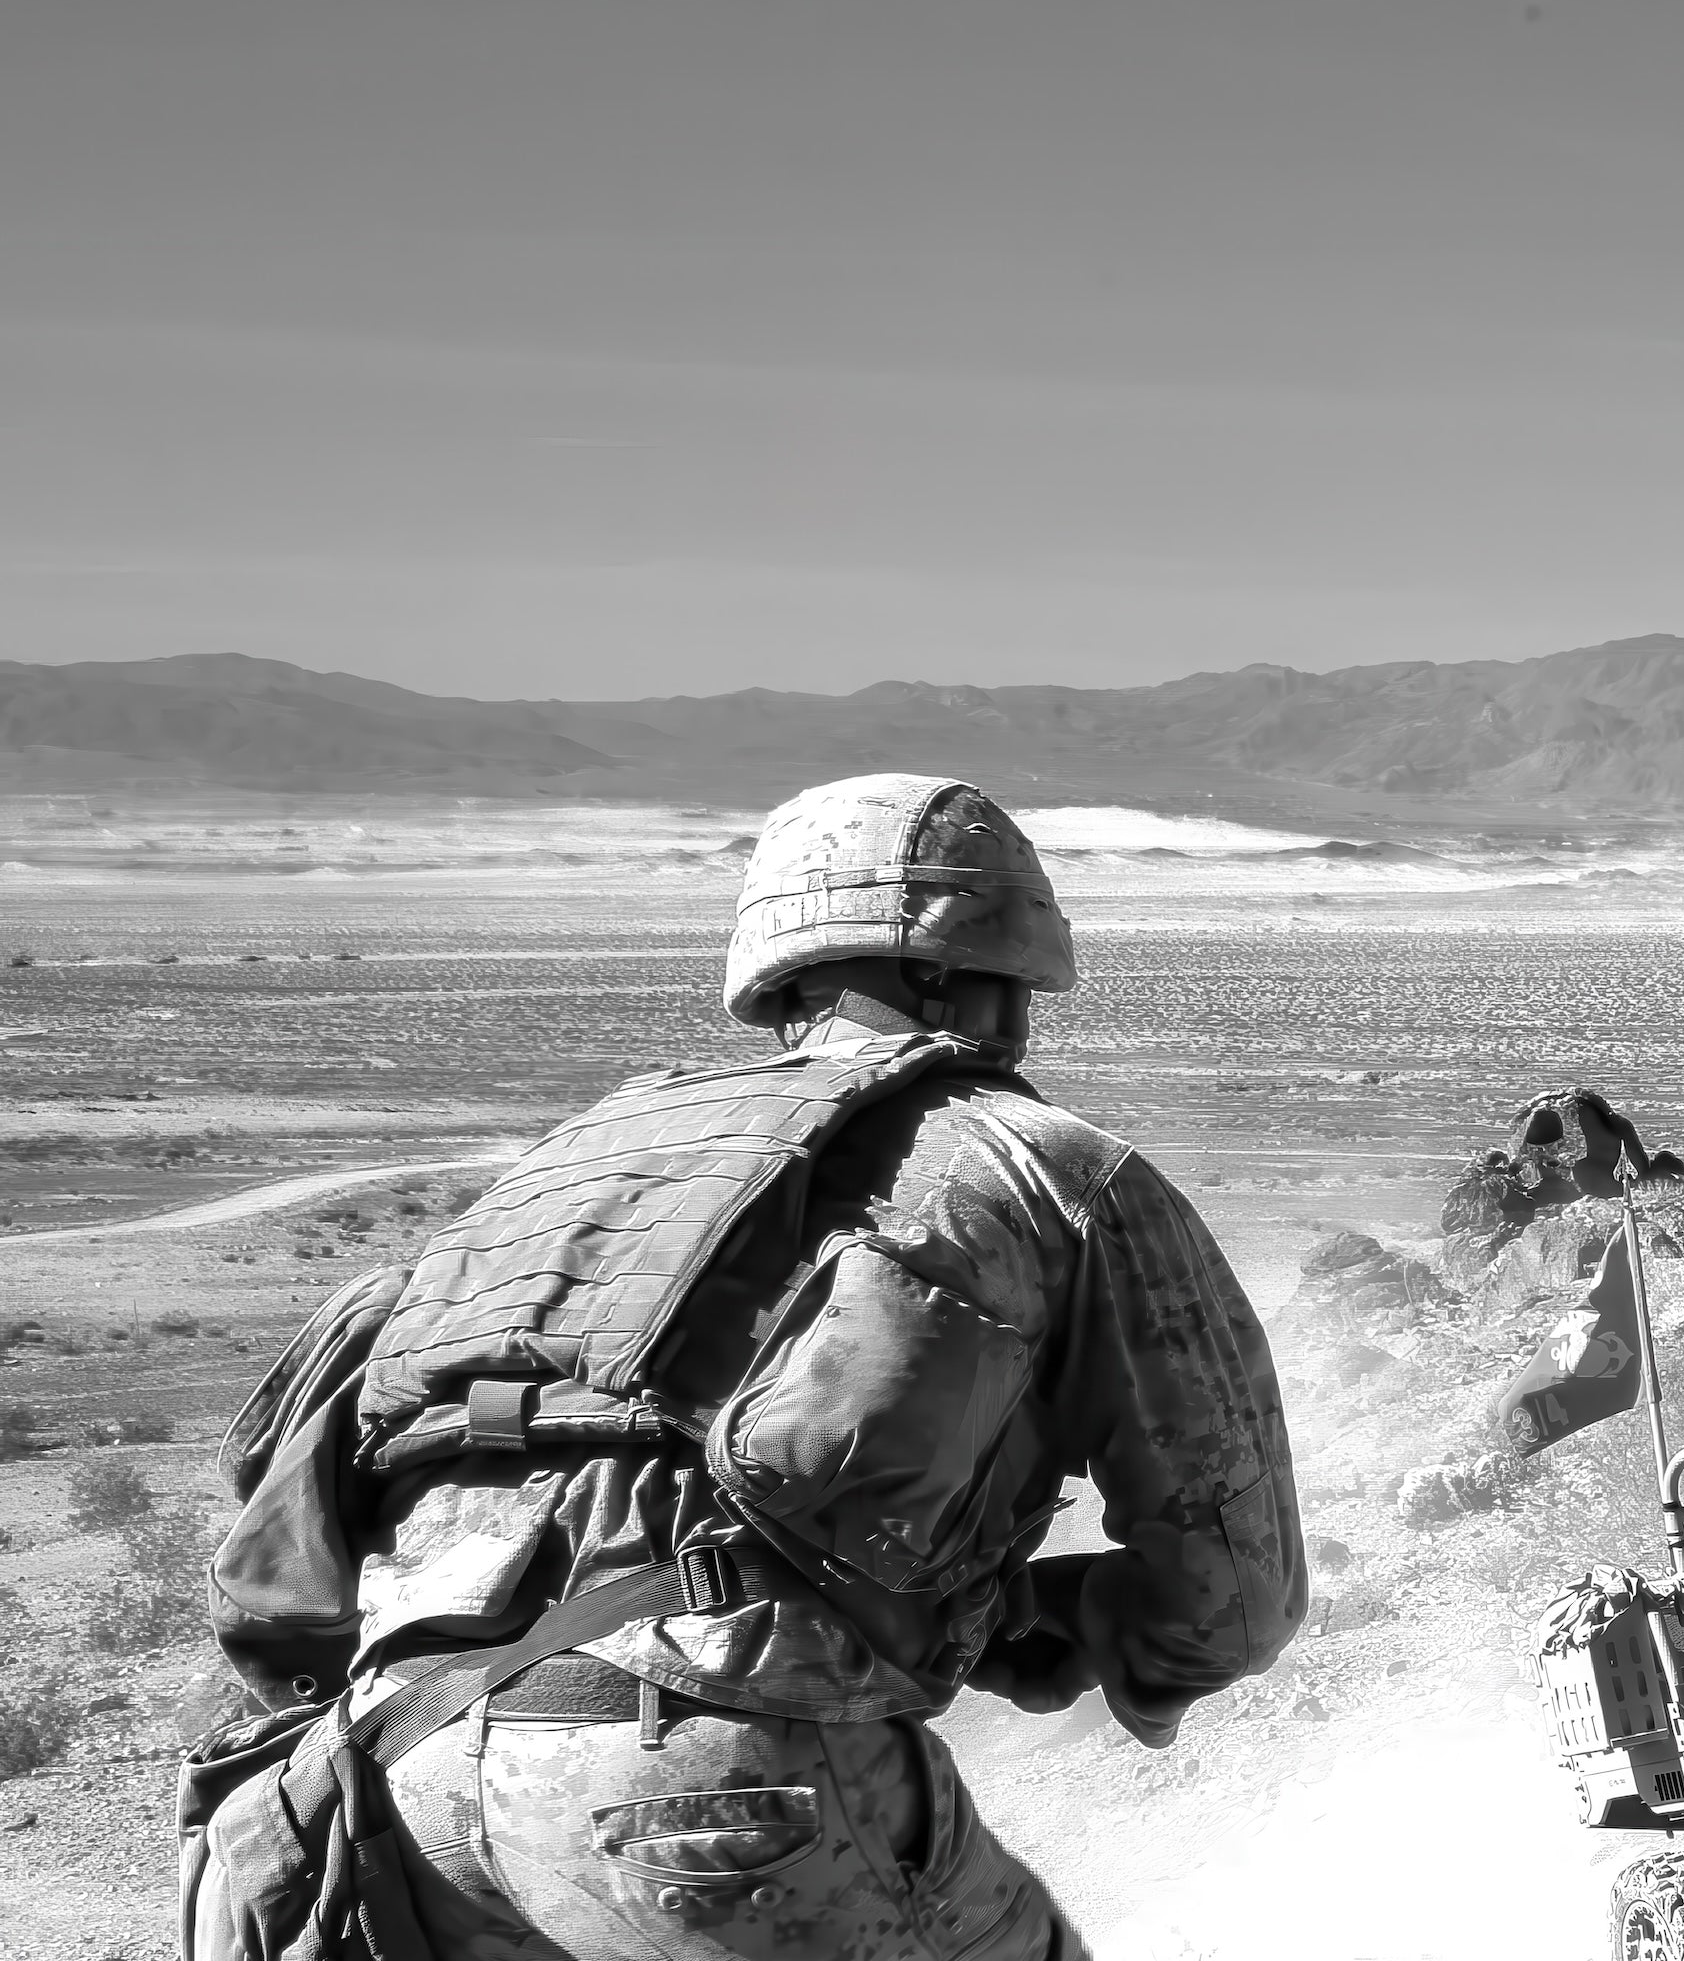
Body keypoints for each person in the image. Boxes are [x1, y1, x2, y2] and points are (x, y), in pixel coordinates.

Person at [195, 772, 1306, 1961]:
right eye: (1018, 984)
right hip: (699, 1782)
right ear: (961, 968)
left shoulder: (568, 1165)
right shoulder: (1043, 1163)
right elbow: (1229, 1592)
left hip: (389, 1783)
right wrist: (1073, 1621)